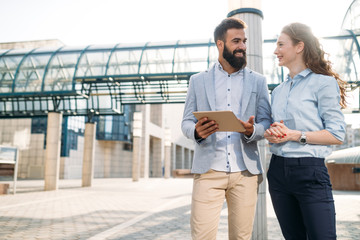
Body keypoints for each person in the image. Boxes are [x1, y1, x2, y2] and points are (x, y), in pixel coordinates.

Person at [181, 18, 271, 240]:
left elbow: (266, 122)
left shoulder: (258, 81)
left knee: (241, 237)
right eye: (236, 41)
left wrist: (252, 131)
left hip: (245, 173)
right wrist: (196, 132)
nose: (242, 46)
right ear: (220, 44)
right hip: (208, 172)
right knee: (202, 236)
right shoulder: (198, 81)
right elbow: (185, 122)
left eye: (244, 41)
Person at [265, 22, 347, 240]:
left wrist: (295, 135)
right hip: (277, 171)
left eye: (281, 45)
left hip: (309, 172)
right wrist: (272, 134)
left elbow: (337, 134)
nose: (276, 51)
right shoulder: (278, 91)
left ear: (299, 46)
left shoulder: (323, 83)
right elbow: (278, 129)